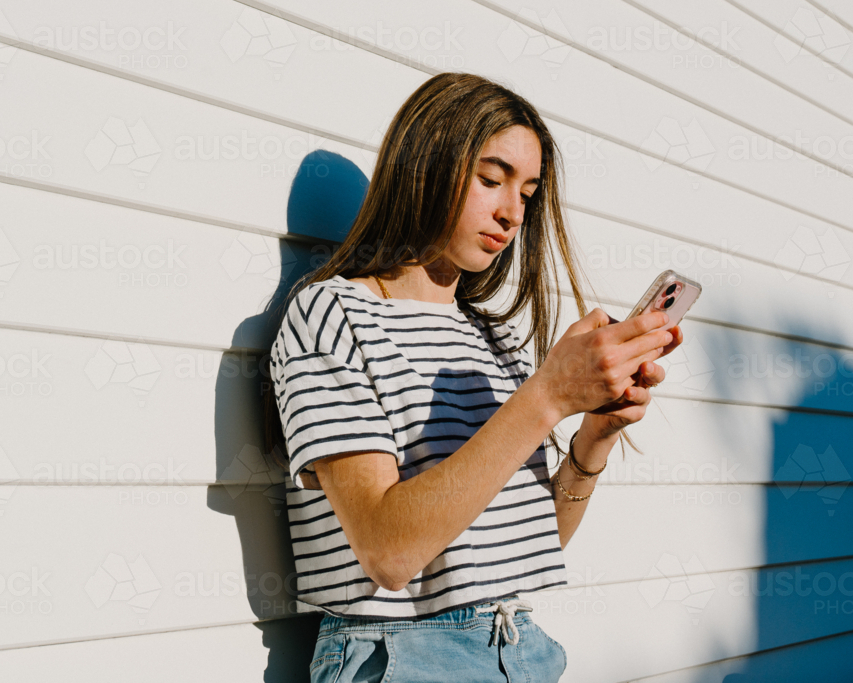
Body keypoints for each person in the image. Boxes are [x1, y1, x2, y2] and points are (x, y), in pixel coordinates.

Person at [266, 72, 683, 682]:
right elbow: (388, 551)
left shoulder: (495, 337)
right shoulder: (332, 315)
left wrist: (593, 436)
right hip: (401, 655)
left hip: (520, 646)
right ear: (424, 168)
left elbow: (524, 544)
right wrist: (546, 396)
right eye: (491, 179)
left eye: (529, 192)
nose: (512, 212)